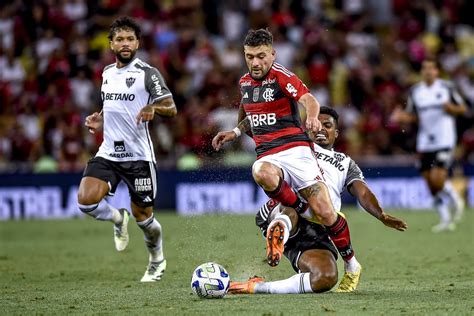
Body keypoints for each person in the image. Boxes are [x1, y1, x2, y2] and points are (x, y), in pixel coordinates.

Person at [212, 29, 360, 291]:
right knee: (261, 171)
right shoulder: (245, 83)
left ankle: (352, 263)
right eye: (249, 57)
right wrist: (235, 132)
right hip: (269, 155)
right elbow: (249, 113)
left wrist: (313, 117)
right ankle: (288, 219)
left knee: (325, 212)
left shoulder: (282, 76)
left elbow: (309, 100)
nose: (256, 63)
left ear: (272, 54)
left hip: (297, 152)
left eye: (261, 56)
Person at [229, 106, 408, 295]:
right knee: (292, 206)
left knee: (326, 277)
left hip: (320, 228)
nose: (321, 129)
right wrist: (248, 100)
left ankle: (256, 287)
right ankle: (281, 225)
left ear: (336, 133)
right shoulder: (293, 145)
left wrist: (381, 215)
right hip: (287, 206)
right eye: (317, 124)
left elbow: (362, 192)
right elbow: (253, 126)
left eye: (328, 125)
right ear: (307, 127)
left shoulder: (345, 162)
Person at [76, 17, 177, 282]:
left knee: (144, 219)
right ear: (111, 44)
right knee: (85, 201)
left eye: (130, 39)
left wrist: (153, 107)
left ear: (137, 43)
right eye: (119, 39)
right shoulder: (107, 73)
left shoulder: (148, 73)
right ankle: (118, 219)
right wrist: (100, 119)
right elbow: (113, 105)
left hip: (138, 157)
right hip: (109, 152)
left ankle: (157, 260)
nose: (125, 43)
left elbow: (172, 107)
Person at [391, 58, 466, 233]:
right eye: (425, 68)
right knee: (430, 182)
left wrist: (452, 109)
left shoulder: (446, 87)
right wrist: (401, 118)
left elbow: (462, 108)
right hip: (425, 141)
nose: (428, 71)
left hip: (445, 139)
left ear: (437, 71)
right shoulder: (416, 91)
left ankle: (455, 197)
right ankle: (445, 218)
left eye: (431, 68)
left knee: (437, 179)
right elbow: (413, 115)